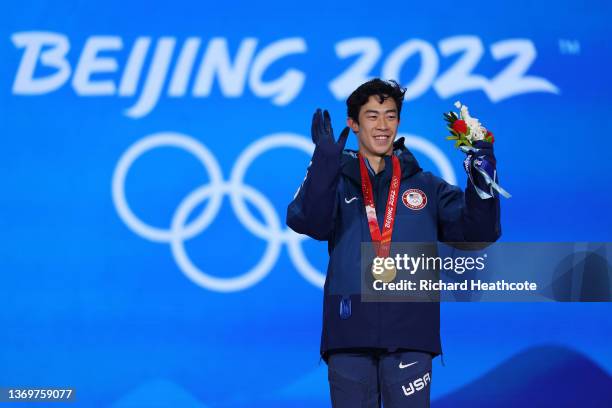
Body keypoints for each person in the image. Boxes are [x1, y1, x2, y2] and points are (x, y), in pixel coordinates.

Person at [286, 79, 501, 407]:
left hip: (410, 332)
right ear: (353, 124)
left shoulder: (426, 186)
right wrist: (323, 166)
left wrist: (483, 184)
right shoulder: (337, 181)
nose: (382, 126)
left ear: (399, 122)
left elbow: (478, 234)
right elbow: (308, 222)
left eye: (390, 116)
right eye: (372, 116)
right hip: (349, 334)